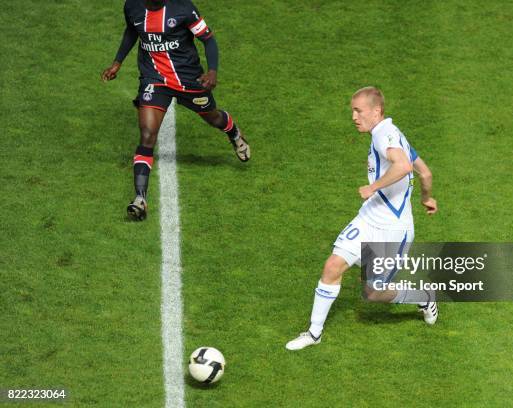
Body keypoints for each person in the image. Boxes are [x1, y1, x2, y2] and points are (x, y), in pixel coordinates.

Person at [286, 87, 438, 351]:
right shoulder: (393, 133)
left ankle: (422, 296)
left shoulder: (383, 135)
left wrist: (373, 187)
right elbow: (424, 173)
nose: (354, 117)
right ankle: (314, 333)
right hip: (368, 218)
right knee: (332, 266)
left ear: (376, 111)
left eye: (359, 111)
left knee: (374, 292)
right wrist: (426, 198)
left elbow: (403, 167)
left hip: (393, 228)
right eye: (352, 111)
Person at [101, 0, 250, 221]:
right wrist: (117, 62)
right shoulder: (132, 6)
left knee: (213, 117)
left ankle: (233, 132)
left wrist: (212, 72)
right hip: (154, 79)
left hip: (188, 78)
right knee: (147, 134)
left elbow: (208, 40)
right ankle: (140, 199)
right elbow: (132, 30)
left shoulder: (183, 8)